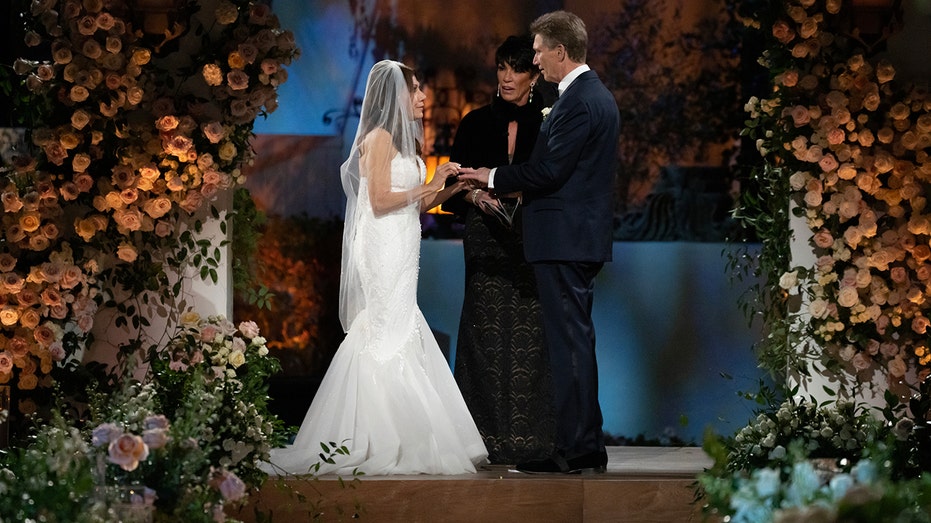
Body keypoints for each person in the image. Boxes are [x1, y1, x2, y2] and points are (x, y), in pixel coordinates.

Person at [264, 60, 487, 476]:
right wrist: (433, 181)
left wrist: (450, 186)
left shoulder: (405, 142)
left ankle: (398, 435)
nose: (422, 97)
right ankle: (379, 436)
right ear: (395, 94)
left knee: (399, 326)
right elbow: (382, 201)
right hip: (382, 247)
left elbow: (414, 205)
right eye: (416, 89)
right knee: (386, 330)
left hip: (402, 245)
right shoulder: (378, 137)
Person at [458, 11, 620, 475]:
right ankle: (583, 444)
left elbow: (550, 172)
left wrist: (488, 175)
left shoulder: (580, 101)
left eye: (538, 51)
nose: (533, 59)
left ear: (560, 52)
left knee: (568, 345)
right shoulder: (587, 97)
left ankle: (576, 448)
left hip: (566, 240)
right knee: (573, 342)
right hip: (572, 239)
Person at [444, 35, 556, 465]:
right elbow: (451, 190)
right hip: (485, 240)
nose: (507, 77)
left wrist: (525, 196)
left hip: (532, 239)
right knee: (483, 335)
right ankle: (482, 440)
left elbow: (553, 178)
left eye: (517, 69)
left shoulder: (549, 122)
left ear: (533, 75)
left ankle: (533, 440)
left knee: (532, 337)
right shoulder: (473, 123)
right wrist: (474, 198)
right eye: (501, 68)